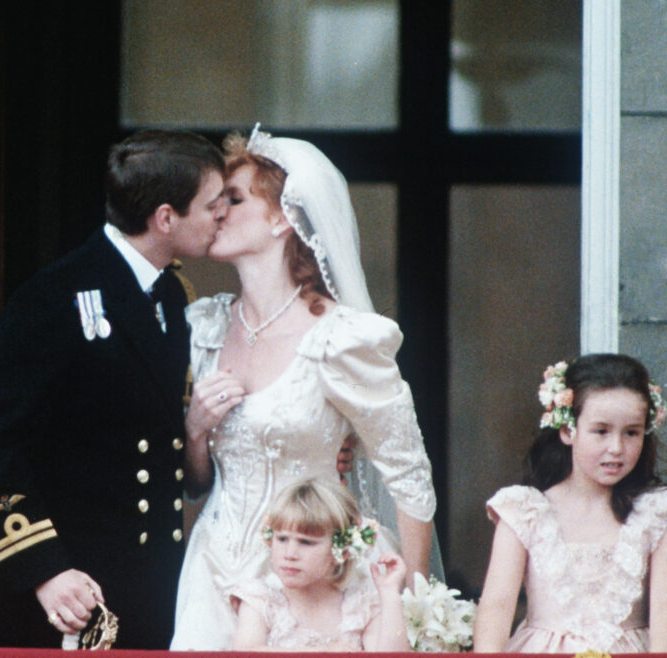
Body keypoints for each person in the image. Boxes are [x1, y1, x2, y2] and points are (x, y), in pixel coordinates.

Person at [171, 126, 437, 650]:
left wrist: (407, 601)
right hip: (211, 570)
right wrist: (197, 430)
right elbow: (196, 481)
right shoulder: (203, 327)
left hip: (316, 580)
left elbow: (407, 474)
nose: (217, 210)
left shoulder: (341, 339)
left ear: (282, 217)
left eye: (234, 198)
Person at [0, 129, 226, 649]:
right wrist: (44, 569)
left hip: (152, 586)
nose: (223, 215)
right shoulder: (51, 299)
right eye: (212, 205)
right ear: (165, 218)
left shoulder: (175, 294)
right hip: (71, 592)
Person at [474, 354, 667, 653]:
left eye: (631, 432)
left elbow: (664, 614)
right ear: (568, 430)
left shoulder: (656, 513)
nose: (616, 448)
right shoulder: (525, 511)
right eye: (601, 431)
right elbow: (496, 609)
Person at [231, 479, 409, 651]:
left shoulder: (361, 607)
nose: (289, 554)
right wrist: (321, 652)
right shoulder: (262, 602)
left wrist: (389, 593)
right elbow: (245, 653)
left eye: (306, 542)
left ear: (342, 552)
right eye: (282, 538)